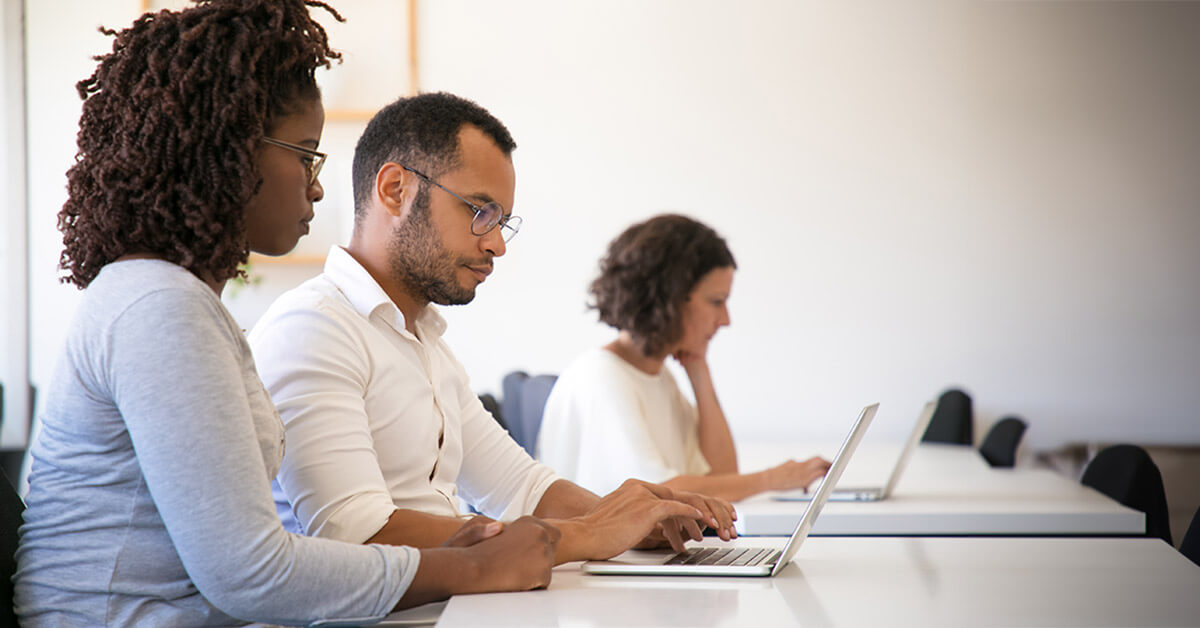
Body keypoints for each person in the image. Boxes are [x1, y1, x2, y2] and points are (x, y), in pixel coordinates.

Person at [14, 3, 561, 626]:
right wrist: (474, 568)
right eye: (305, 154)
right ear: (229, 148)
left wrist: (456, 550)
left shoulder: (179, 300)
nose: (319, 186)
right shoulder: (158, 305)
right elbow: (253, 573)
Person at [248, 92, 737, 565]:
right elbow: (356, 535)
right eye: (479, 211)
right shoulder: (313, 328)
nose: (497, 244)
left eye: (502, 221)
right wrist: (589, 532)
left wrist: (643, 522)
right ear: (395, 189)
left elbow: (524, 488)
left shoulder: (427, 344)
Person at [536, 214, 831, 502]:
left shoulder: (658, 377)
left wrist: (698, 370)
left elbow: (722, 476)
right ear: (670, 298)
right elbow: (655, 495)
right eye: (716, 302)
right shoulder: (602, 376)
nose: (725, 320)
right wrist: (771, 479)